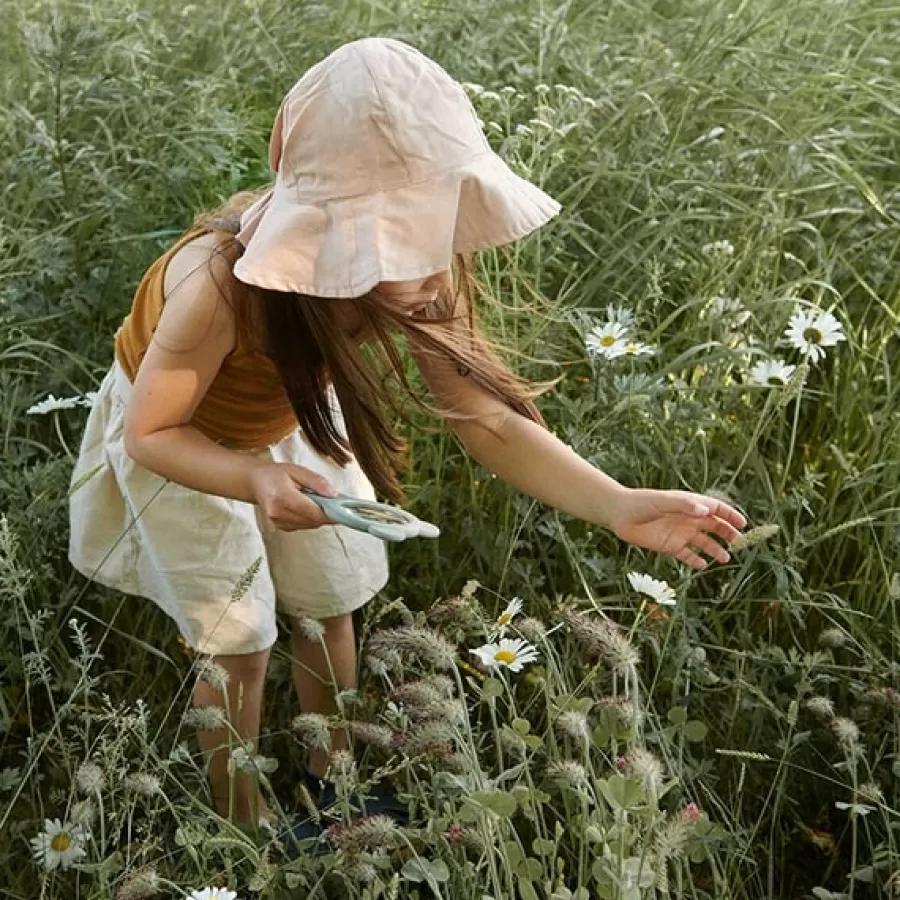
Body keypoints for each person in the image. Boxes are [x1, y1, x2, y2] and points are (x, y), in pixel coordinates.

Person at [68, 37, 746, 836]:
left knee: (331, 598)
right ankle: (238, 826)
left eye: (438, 230)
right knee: (237, 637)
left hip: (289, 425)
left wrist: (618, 505)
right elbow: (153, 432)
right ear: (325, 237)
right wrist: (252, 481)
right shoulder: (219, 288)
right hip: (188, 443)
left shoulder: (426, 278)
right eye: (401, 242)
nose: (430, 271)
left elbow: (488, 419)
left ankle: (336, 787)